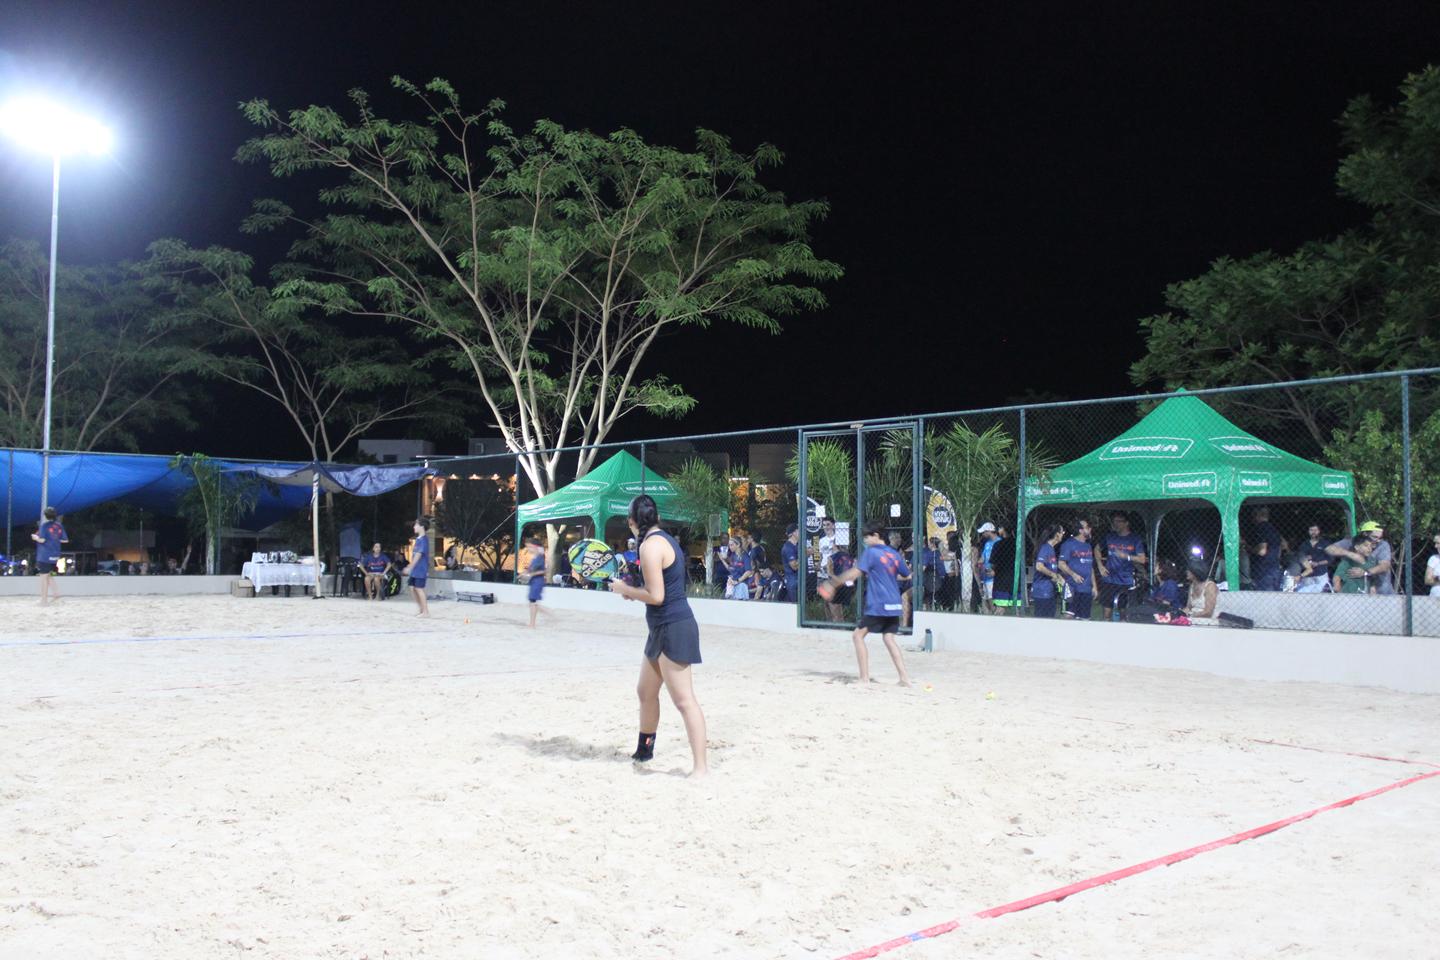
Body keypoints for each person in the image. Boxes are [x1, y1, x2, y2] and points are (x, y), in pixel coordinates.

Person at [609, 494, 708, 778]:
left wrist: (625, 589)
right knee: (646, 691)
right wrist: (633, 592)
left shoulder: (650, 546)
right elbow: (655, 591)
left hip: (673, 627)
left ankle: (701, 768)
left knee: (684, 701)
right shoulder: (663, 539)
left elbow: (656, 596)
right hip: (662, 627)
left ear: (631, 522)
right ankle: (644, 752)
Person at [825, 520, 913, 686]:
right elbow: (906, 575)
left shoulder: (872, 552)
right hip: (894, 604)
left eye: (867, 537)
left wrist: (832, 583)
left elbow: (855, 573)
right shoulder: (894, 554)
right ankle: (904, 679)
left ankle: (864, 678)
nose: (865, 540)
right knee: (889, 638)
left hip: (879, 604)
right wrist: (884, 575)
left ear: (876, 535)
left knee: (858, 636)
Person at [1097, 512, 1147, 620]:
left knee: (1123, 614)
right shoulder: (1110, 536)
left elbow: (1142, 559)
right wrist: (1100, 565)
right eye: (1114, 521)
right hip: (1109, 579)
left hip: (1125, 581)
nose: (1115, 524)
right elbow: (1097, 549)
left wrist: (1126, 556)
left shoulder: (1134, 539)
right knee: (1106, 614)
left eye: (1118, 521)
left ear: (1126, 523)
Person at [1326, 521, 1396, 595]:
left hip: (1382, 592)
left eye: (1380, 538)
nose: (1378, 540)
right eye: (1375, 537)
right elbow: (1329, 549)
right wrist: (1351, 554)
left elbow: (1385, 566)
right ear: (1365, 534)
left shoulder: (1383, 545)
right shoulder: (1353, 542)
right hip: (1355, 593)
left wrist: (1365, 572)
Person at [1058, 517, 1099, 620]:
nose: (1090, 529)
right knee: (1068, 616)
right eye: (1087, 527)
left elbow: (1090, 567)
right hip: (1072, 587)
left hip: (1086, 589)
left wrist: (1094, 586)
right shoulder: (1069, 544)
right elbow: (1061, 564)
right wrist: (1073, 575)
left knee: (1084, 619)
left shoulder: (1088, 546)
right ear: (1080, 530)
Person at [31, 506, 68, 606]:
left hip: (45, 555)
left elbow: (42, 540)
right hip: (55, 554)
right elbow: (65, 540)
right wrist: (54, 540)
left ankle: (44, 600)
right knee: (48, 575)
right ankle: (56, 594)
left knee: (43, 577)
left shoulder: (44, 526)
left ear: (45, 516)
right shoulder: (59, 525)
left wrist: (35, 538)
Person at [1031, 524, 1066, 619]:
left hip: (1049, 591)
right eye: (1062, 532)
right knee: (1042, 621)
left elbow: (1049, 570)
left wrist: (1058, 577)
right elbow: (1039, 566)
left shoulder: (1051, 549)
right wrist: (1054, 575)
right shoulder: (1045, 548)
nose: (1063, 534)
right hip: (1042, 592)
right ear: (1057, 535)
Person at [1247, 505, 1283, 591]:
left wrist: (1248, 548)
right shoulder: (1274, 529)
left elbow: (1262, 551)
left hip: (1263, 571)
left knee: (1263, 595)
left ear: (1258, 515)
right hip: (1274, 568)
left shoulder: (1261, 528)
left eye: (1253, 515)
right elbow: (1282, 546)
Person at [404, 518, 432, 617]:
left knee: (419, 589)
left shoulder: (424, 540)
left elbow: (418, 555)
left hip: (420, 570)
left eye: (416, 525)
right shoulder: (418, 539)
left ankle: (425, 612)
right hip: (415, 570)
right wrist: (410, 566)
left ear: (422, 527)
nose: (414, 527)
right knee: (412, 588)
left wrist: (410, 567)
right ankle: (421, 609)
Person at [823, 539, 855, 621]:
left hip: (836, 585)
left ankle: (834, 625)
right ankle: (837, 623)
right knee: (835, 609)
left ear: (835, 545)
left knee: (835, 614)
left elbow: (830, 573)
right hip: (848, 586)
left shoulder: (831, 557)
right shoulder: (850, 557)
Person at [1296, 524, 1332, 593]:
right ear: (1308, 531)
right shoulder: (1304, 544)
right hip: (1307, 576)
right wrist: (1305, 558)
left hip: (1321, 574)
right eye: (1311, 530)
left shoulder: (1325, 544)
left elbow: (1330, 559)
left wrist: (1318, 563)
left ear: (1319, 531)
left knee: (1323, 595)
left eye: (1315, 530)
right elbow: (1299, 558)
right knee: (1307, 596)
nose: (1313, 532)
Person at [521, 537, 548, 627]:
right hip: (534, 581)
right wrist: (524, 573)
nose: (528, 549)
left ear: (535, 547)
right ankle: (533, 623)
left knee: (533, 602)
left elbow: (544, 571)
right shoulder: (536, 557)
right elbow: (530, 570)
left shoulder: (539, 557)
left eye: (529, 547)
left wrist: (531, 574)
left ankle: (532, 624)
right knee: (532, 602)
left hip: (538, 581)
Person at [975, 522, 1000, 613]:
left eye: (984, 532)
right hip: (985, 575)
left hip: (994, 575)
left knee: (991, 598)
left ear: (989, 531)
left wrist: (995, 570)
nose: (982, 534)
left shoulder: (1000, 542)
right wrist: (977, 563)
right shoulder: (987, 543)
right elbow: (983, 557)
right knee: (986, 599)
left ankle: (995, 614)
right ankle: (991, 613)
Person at [780, 524, 801, 602]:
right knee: (795, 604)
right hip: (792, 580)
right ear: (794, 533)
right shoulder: (788, 547)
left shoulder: (798, 545)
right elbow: (794, 566)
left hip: (799, 579)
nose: (801, 533)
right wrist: (804, 555)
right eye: (799, 530)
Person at [1426, 533, 1440, 598]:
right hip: (1435, 598)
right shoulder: (1433, 559)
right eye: (1435, 543)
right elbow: (1427, 580)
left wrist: (1436, 578)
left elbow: (1431, 578)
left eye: (1438, 543)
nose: (1435, 546)